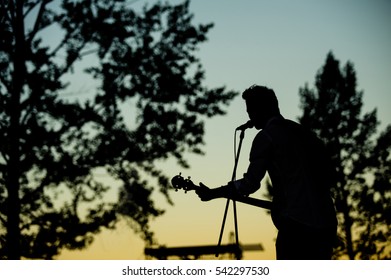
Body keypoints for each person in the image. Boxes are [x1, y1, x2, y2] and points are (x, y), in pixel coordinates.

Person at [196, 85, 337, 260]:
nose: (249, 116)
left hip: (296, 227)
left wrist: (214, 193)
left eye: (251, 111)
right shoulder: (302, 132)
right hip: (326, 226)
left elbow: (250, 183)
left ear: (261, 109)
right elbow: (329, 174)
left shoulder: (266, 137)